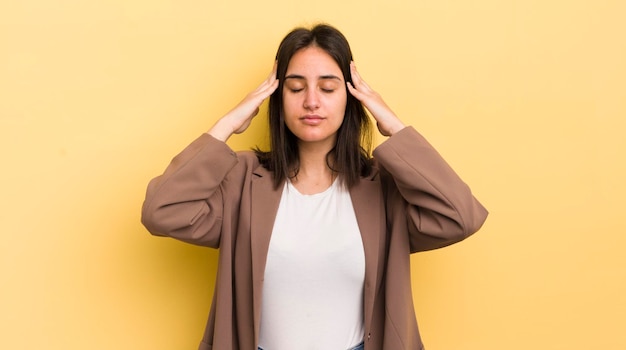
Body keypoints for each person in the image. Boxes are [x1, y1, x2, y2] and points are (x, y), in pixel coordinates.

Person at [141, 23, 488, 350]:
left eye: (327, 88)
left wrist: (394, 126)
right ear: (278, 98)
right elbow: (162, 211)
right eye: (295, 87)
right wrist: (227, 124)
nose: (311, 101)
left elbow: (461, 216)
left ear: (351, 98)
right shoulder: (243, 180)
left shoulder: (383, 186)